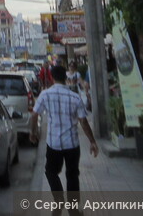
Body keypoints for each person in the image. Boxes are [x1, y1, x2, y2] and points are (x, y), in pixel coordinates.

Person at [30, 64, 99, 216]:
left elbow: (34, 115)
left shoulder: (45, 95)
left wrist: (33, 133)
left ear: (52, 78)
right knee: (72, 175)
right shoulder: (74, 97)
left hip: (53, 143)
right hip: (72, 143)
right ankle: (74, 209)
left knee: (50, 171)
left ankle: (58, 197)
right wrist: (92, 141)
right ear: (66, 78)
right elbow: (83, 121)